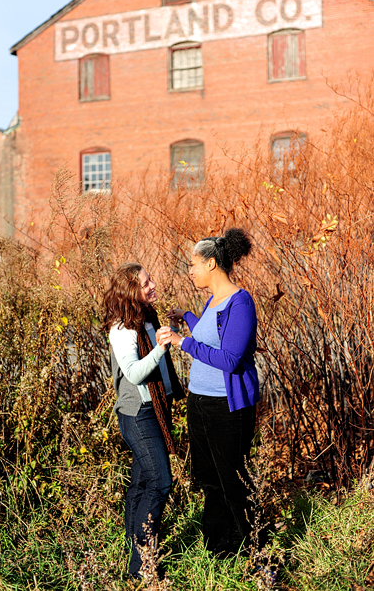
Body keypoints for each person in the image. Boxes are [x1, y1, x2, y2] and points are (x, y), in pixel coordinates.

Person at [157, 228, 258, 557]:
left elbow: (229, 358)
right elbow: (211, 334)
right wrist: (186, 318)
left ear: (212, 264)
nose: (190, 270)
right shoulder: (212, 301)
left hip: (227, 408)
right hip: (199, 403)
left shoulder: (239, 302)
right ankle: (219, 551)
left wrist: (181, 341)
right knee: (210, 480)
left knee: (233, 482)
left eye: (193, 264)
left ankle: (257, 554)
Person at [102, 263, 185, 579]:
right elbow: (135, 373)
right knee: (160, 482)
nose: (153, 285)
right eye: (146, 282)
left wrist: (169, 330)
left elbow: (156, 360)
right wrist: (161, 348)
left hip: (154, 410)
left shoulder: (146, 318)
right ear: (130, 291)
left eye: (151, 279)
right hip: (138, 415)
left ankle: (135, 560)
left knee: (141, 484)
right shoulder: (122, 329)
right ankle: (143, 569)